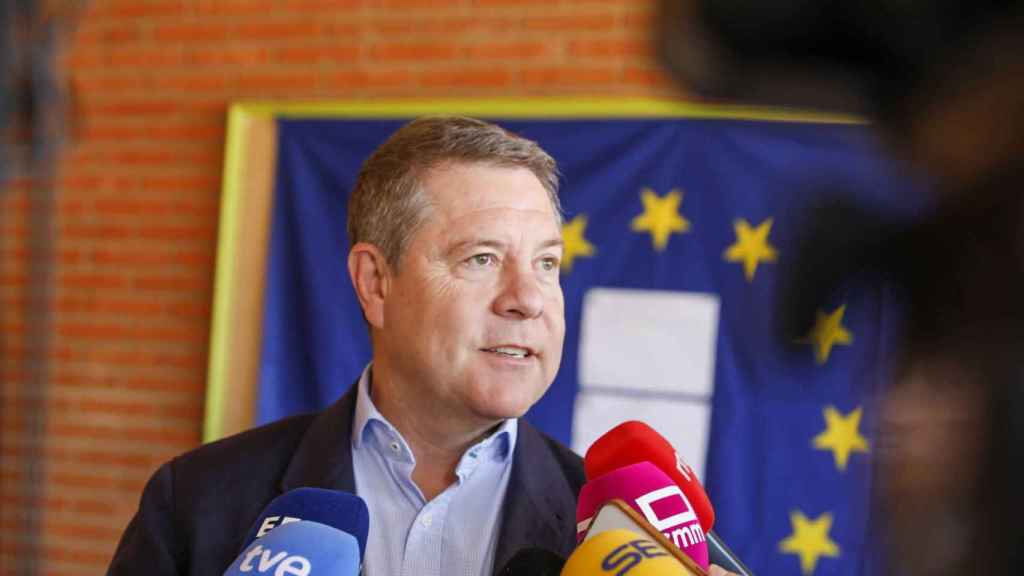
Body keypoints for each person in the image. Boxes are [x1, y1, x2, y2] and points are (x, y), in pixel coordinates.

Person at [108, 116, 585, 575]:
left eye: (546, 264)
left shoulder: (615, 528)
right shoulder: (195, 499)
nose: (527, 300)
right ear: (375, 283)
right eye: (481, 258)